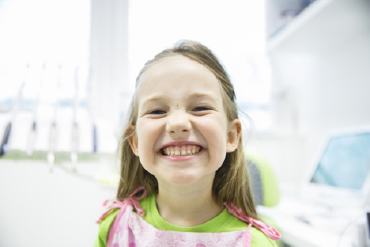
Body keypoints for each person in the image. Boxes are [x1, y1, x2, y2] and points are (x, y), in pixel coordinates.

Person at [96, 40, 281, 246]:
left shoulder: (255, 243)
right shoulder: (115, 228)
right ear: (135, 141)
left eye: (200, 108)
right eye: (157, 111)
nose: (178, 123)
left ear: (231, 136)